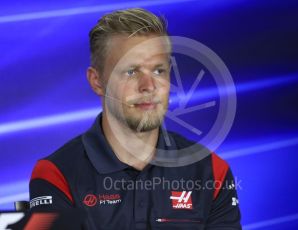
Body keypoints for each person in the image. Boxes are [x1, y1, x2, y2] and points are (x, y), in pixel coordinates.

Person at [29, 8, 242, 229]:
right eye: (131, 71)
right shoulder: (56, 174)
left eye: (158, 71)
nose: (149, 86)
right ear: (97, 81)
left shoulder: (212, 172)